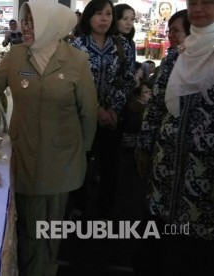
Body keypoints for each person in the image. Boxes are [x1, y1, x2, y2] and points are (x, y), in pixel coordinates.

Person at [0, 2, 97, 275]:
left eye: (34, 21)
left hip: (62, 160)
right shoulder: (16, 55)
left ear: (50, 24)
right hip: (26, 154)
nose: (27, 26)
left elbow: (88, 112)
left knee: (52, 228)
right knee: (29, 225)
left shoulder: (77, 60)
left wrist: (84, 151)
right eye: (25, 20)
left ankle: (46, 268)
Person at [134, 0, 214, 274]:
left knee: (195, 250)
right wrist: (145, 146)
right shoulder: (178, 56)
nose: (198, 9)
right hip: (166, 164)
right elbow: (156, 106)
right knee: (160, 243)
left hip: (205, 174)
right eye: (194, 2)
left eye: (208, 3)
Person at [69, 0, 135, 219]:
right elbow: (73, 83)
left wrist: (113, 109)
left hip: (113, 117)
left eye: (108, 14)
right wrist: (95, 109)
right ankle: (79, 205)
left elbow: (126, 79)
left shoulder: (122, 44)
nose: (104, 18)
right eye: (98, 13)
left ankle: (106, 209)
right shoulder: (76, 45)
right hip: (82, 116)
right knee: (81, 161)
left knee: (110, 163)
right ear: (89, 17)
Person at [135, 9, 190, 178]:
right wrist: (145, 146)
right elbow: (156, 105)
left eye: (176, 30)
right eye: (170, 30)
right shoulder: (172, 59)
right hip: (170, 142)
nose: (170, 35)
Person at [115, 4, 136, 68]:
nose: (129, 23)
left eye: (132, 19)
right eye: (125, 19)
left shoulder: (131, 43)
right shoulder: (107, 41)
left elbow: (131, 65)